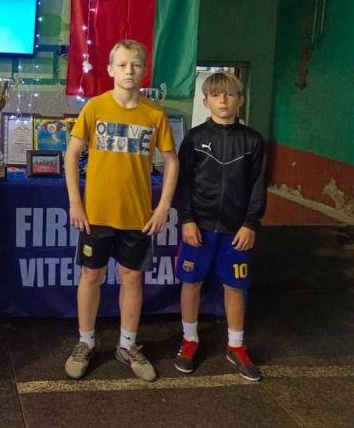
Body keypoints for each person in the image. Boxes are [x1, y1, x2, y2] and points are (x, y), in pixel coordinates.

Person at [63, 39, 179, 381]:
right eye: (123, 64)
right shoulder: (95, 107)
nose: (129, 70)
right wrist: (75, 202)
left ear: (144, 71)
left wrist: (163, 206)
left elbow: (172, 162)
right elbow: (71, 155)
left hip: (136, 216)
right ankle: (85, 341)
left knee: (132, 277)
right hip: (95, 214)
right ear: (110, 69)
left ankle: (127, 345)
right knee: (91, 276)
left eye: (136, 65)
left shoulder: (154, 114)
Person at [173, 71, 266, 382]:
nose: (223, 100)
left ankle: (236, 346)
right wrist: (187, 219)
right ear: (205, 101)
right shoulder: (194, 138)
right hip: (198, 228)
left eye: (229, 94)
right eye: (215, 95)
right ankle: (189, 340)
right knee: (191, 283)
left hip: (236, 230)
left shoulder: (253, 140)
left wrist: (250, 223)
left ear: (240, 100)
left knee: (235, 286)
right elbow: (183, 183)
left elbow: (258, 185)